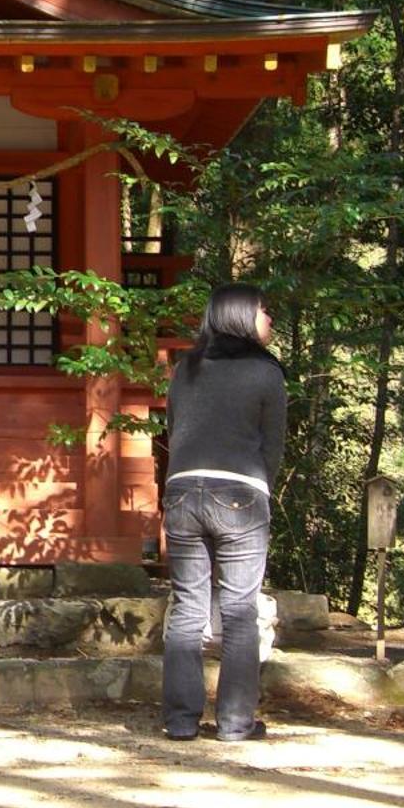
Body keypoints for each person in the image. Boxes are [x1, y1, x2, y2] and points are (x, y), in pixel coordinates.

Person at [161, 283, 286, 742]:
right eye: (264, 310)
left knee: (188, 609)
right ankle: (235, 722)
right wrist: (259, 493)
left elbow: (175, 430)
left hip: (181, 492)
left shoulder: (185, 369)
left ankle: (179, 720)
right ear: (240, 317)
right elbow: (271, 447)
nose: (270, 319)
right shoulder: (266, 373)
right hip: (241, 495)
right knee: (238, 609)